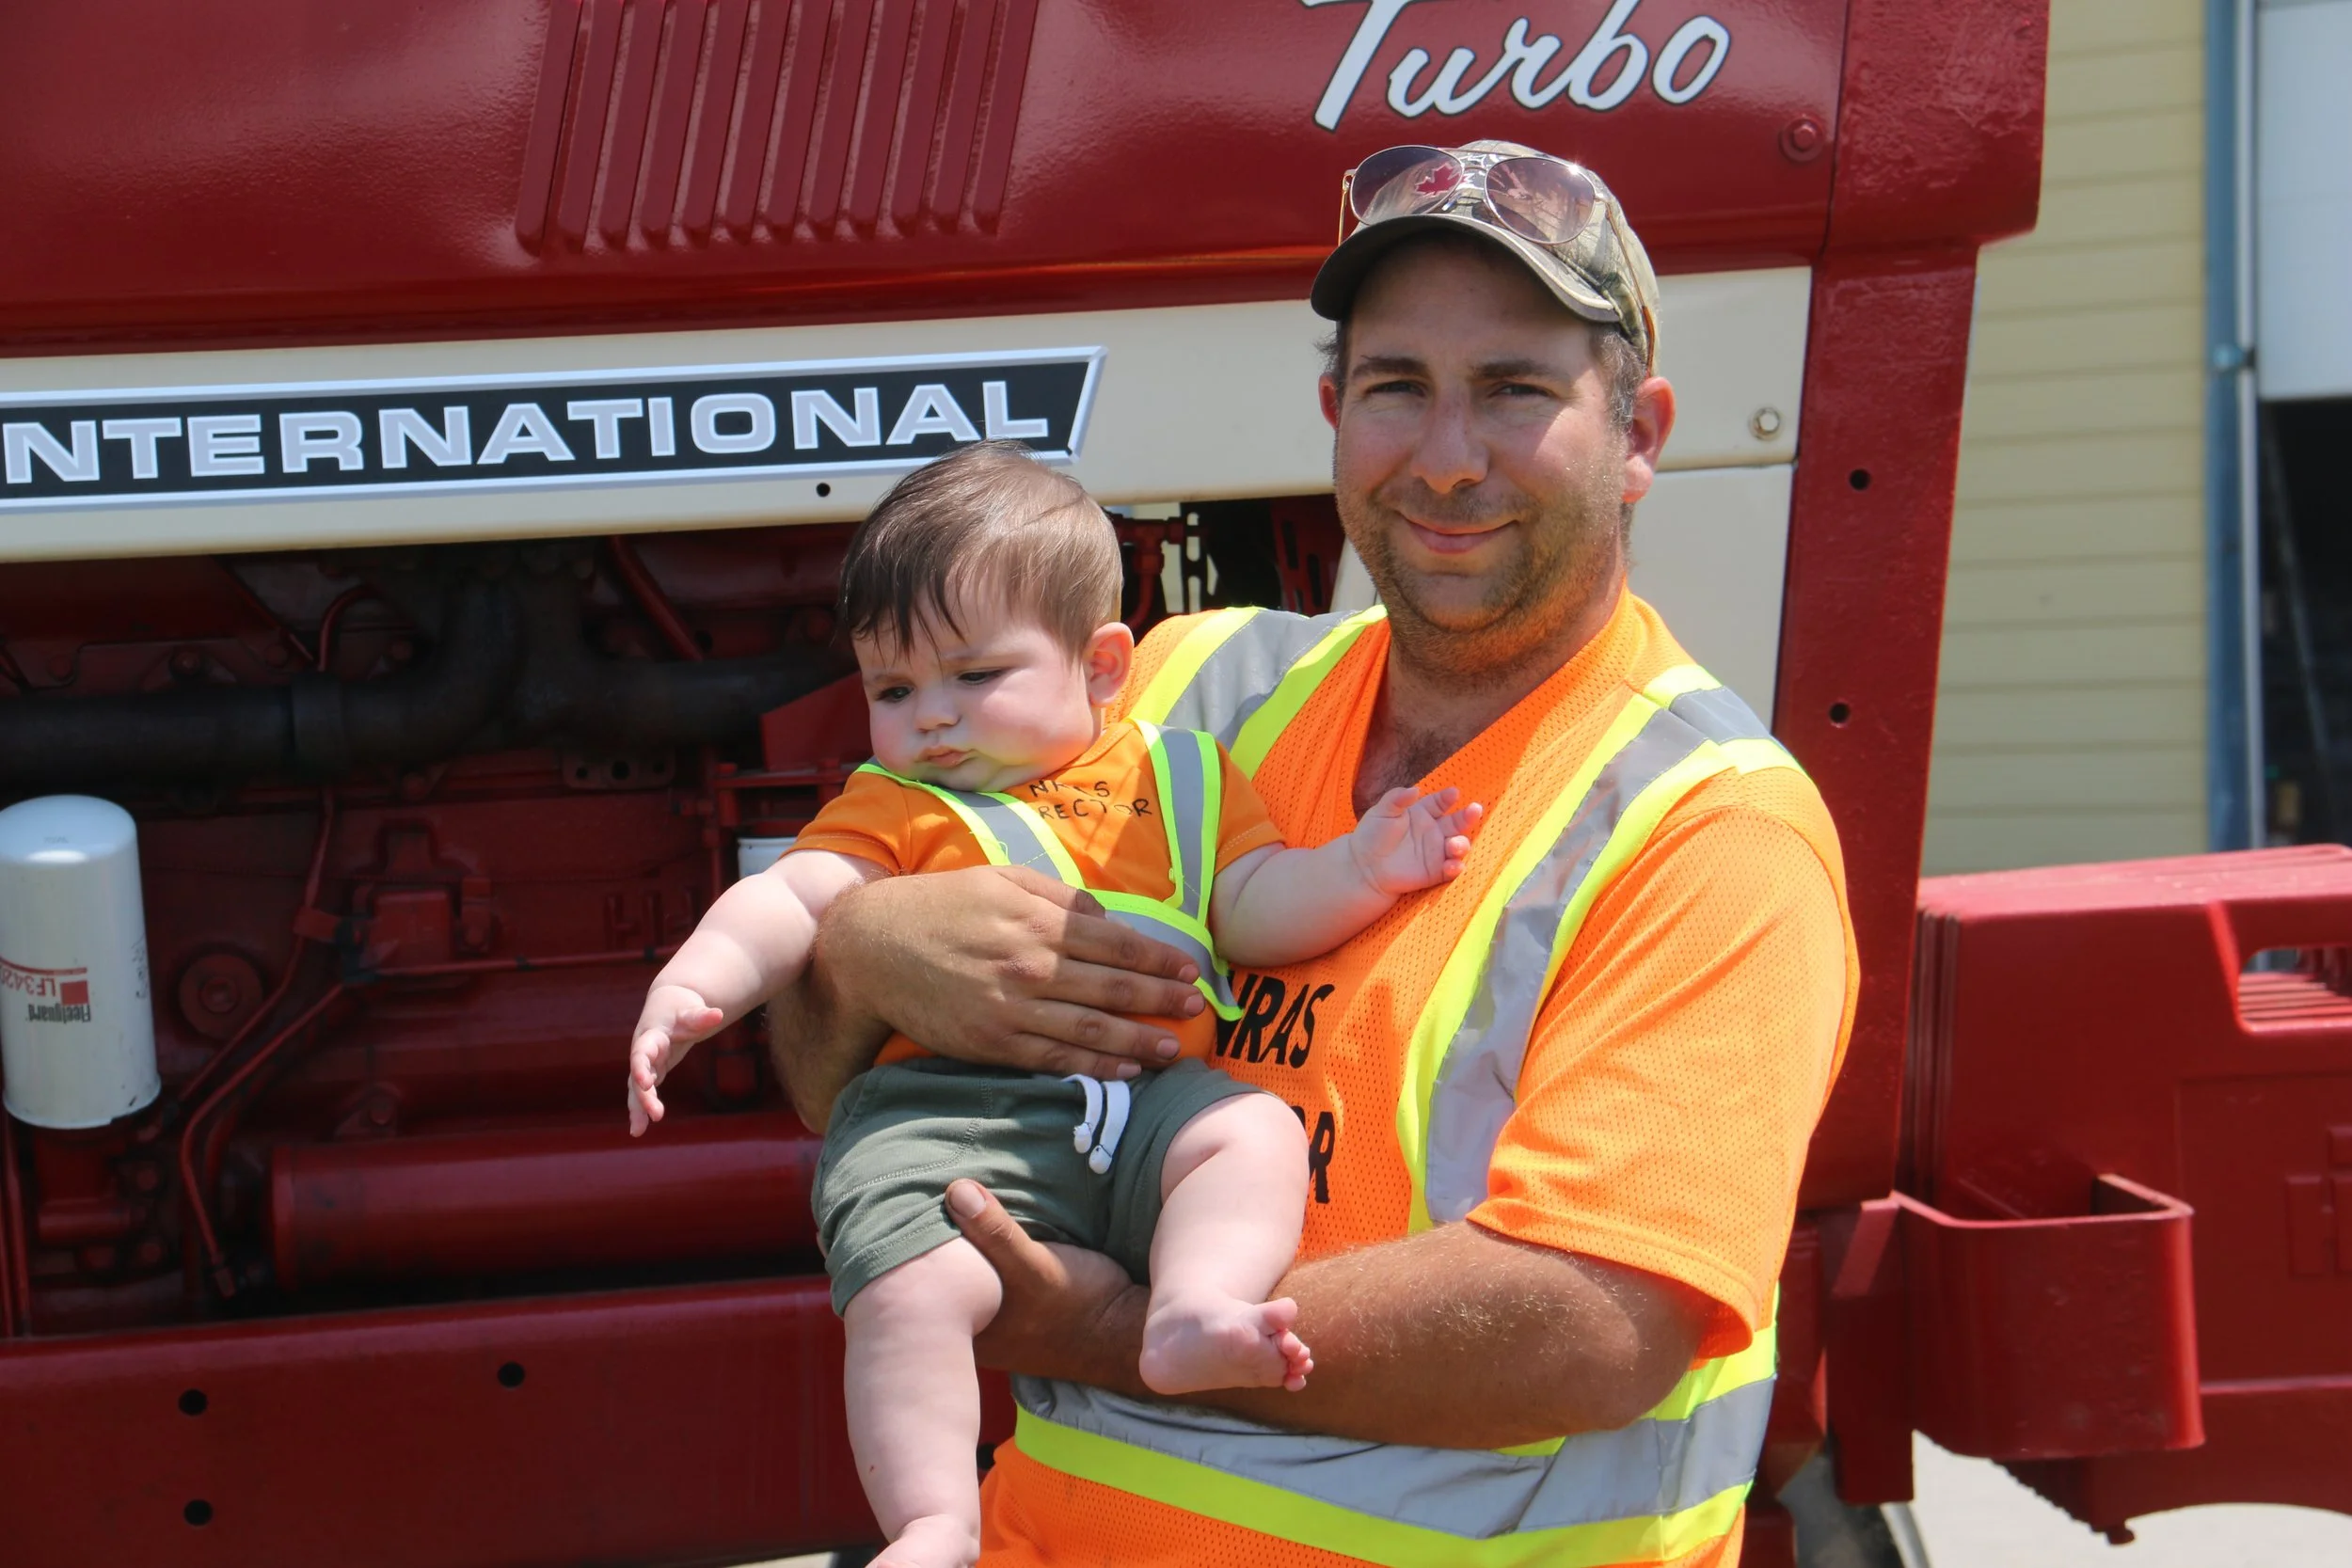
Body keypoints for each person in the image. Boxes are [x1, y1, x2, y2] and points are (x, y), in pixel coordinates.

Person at [770, 140, 1859, 1568]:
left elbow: (1593, 1320)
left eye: (1516, 390)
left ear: (1640, 432)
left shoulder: (1710, 830)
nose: (1448, 455)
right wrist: (864, 949)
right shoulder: (1183, 693)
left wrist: (1108, 1327)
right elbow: (817, 1076)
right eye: (1399, 386)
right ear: (1336, 413)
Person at [624, 442, 1481, 1568]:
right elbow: (791, 895)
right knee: (909, 1290)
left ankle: (1190, 1306)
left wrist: (1367, 867)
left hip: (1146, 1106)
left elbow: (1251, 904)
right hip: (948, 1117)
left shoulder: (1183, 775)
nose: (931, 718)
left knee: (1250, 1129)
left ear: (1103, 666)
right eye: (893, 688)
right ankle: (933, 1516)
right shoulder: (894, 804)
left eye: (974, 676)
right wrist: (695, 986)